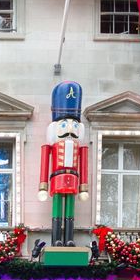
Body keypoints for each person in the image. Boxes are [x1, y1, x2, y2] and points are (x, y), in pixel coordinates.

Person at [38, 81, 89, 246]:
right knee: (57, 208)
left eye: (74, 124)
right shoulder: (50, 146)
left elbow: (84, 167)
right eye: (64, 124)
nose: (70, 128)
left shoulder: (80, 148)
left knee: (70, 211)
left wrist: (83, 188)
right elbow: (44, 164)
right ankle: (56, 239)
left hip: (73, 179)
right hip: (56, 178)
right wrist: (43, 187)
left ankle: (69, 238)